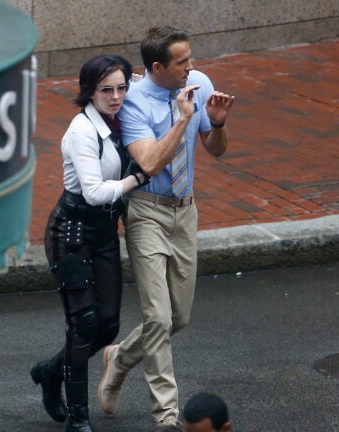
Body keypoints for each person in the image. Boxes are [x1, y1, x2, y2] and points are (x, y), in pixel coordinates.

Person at [97, 26, 236, 427]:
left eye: (190, 59)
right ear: (157, 67)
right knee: (157, 316)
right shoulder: (134, 103)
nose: (190, 68)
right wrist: (183, 119)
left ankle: (119, 357)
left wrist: (218, 124)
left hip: (185, 211)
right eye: (181, 62)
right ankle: (167, 414)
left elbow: (216, 150)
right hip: (147, 212)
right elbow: (151, 163)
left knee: (179, 317)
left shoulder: (200, 83)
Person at [30, 55, 150, 432]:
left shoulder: (123, 117)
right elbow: (96, 192)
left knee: (109, 325)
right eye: (106, 90)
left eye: (121, 88)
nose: (116, 97)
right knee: (84, 322)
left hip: (103, 233)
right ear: (89, 91)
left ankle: (51, 371)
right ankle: (79, 419)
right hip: (72, 233)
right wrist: (136, 180)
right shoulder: (82, 130)